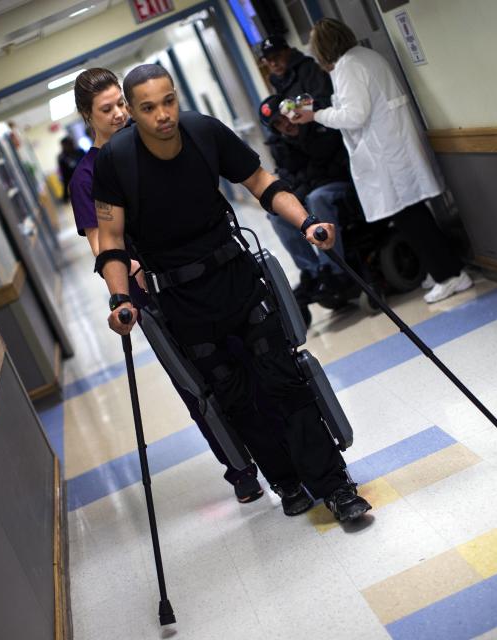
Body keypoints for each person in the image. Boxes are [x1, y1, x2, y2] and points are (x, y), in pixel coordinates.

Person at [92, 64, 371, 523]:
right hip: (181, 300)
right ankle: (284, 481)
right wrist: (120, 300)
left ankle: (336, 486)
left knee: (283, 378)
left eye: (168, 101)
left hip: (236, 276)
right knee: (234, 395)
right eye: (148, 107)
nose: (162, 115)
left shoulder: (204, 132)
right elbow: (112, 241)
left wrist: (306, 223)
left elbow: (262, 182)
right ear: (133, 111)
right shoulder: (115, 162)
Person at [70, 68, 306, 510]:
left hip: (208, 275)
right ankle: (239, 467)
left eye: (122, 103)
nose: (120, 114)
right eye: (108, 110)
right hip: (151, 293)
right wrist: (127, 278)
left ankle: (290, 459)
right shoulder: (89, 176)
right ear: (88, 116)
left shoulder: (154, 146)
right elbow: (103, 243)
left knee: (257, 365)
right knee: (204, 386)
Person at [294, 19, 473, 304]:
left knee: (411, 217)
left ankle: (450, 275)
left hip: (387, 155)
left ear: (323, 48)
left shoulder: (349, 66)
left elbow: (354, 115)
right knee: (413, 215)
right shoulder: (364, 57)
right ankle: (441, 269)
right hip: (392, 149)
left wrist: (316, 116)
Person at [258, 94, 355, 308]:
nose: (285, 125)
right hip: (308, 190)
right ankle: (312, 272)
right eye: (278, 124)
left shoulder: (317, 128)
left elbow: (326, 165)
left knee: (316, 198)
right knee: (277, 215)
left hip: (338, 183)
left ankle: (333, 270)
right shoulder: (279, 145)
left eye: (285, 118)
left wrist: (300, 189)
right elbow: (287, 175)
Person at [258, 35, 335, 110]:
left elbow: (325, 102)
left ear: (288, 51)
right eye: (268, 60)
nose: (273, 63)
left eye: (277, 56)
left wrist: (297, 111)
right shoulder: (275, 80)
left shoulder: (308, 69)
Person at [57, 136, 84, 202]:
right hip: (76, 185)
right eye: (65, 145)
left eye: (70, 143)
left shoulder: (80, 152)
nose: (69, 146)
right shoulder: (62, 158)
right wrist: (65, 193)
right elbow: (65, 176)